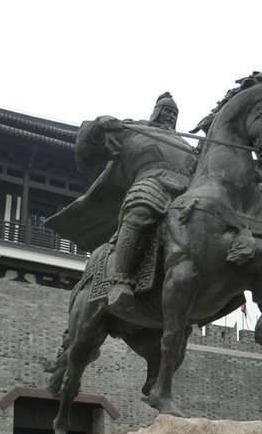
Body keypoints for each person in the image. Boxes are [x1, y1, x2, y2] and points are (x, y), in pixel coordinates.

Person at [46, 92, 196, 311]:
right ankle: (121, 279)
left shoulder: (187, 145)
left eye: (175, 113)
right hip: (152, 181)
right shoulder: (134, 129)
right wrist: (100, 125)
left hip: (188, 192)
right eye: (167, 111)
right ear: (156, 112)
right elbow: (87, 148)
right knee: (141, 206)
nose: (171, 116)